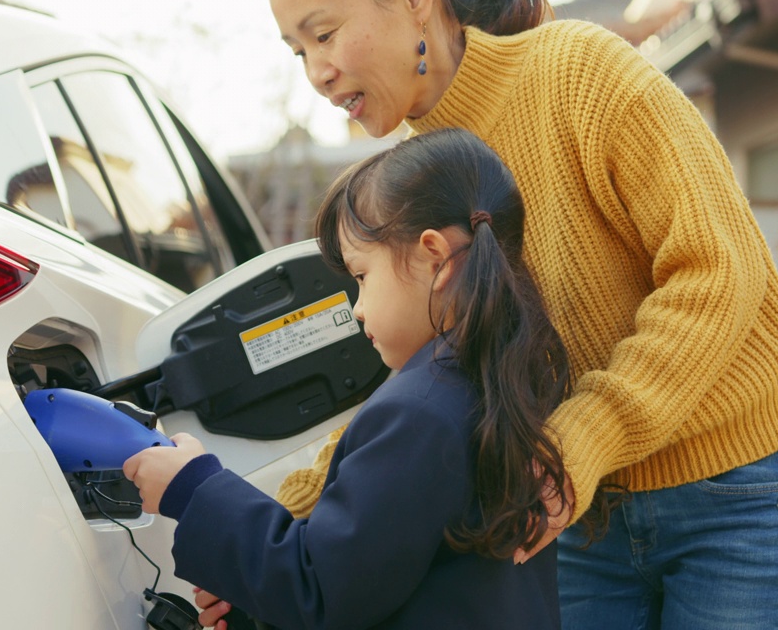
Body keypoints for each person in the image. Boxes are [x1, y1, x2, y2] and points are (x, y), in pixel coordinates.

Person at [224, 0, 778, 629]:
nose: (318, 73)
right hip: (576, 508)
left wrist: (592, 431)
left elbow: (718, 273)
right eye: (297, 51)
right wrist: (284, 523)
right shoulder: (410, 185)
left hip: (734, 485)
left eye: (323, 34)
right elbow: (425, 390)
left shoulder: (581, 73)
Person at [125, 128, 574, 630]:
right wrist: (255, 601)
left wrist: (193, 488)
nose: (357, 309)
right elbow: (387, 583)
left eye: (361, 276)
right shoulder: (494, 383)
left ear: (434, 257)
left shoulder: (417, 412)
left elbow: (321, 590)